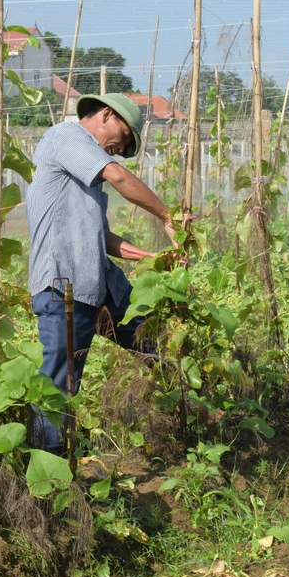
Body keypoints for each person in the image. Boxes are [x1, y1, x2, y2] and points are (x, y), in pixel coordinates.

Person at [26, 93, 175, 454]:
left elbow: (102, 236)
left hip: (99, 282)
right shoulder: (66, 138)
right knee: (60, 382)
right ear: (106, 114)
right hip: (63, 285)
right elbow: (120, 176)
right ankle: (48, 472)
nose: (117, 150)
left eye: (123, 148)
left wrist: (151, 257)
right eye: (121, 138)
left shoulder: (87, 172)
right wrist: (168, 216)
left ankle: (190, 412)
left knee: (157, 340)